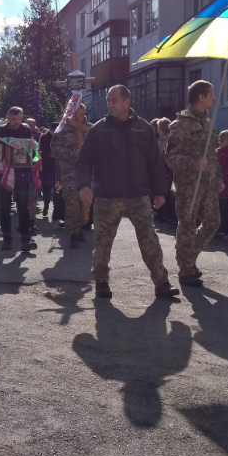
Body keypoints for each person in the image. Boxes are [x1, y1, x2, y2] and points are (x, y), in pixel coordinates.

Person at [76, 85, 179, 299]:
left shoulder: (143, 128)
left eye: (114, 100)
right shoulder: (98, 129)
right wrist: (84, 185)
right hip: (107, 196)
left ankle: (161, 283)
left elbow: (155, 163)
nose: (110, 104)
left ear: (127, 102)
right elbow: (84, 161)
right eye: (108, 100)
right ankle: (102, 281)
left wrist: (160, 192)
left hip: (138, 195)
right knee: (103, 242)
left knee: (149, 239)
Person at [164, 80, 224, 287]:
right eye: (211, 94)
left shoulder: (207, 121)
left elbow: (212, 155)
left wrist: (218, 179)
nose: (214, 98)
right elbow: (170, 157)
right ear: (200, 97)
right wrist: (192, 164)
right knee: (188, 226)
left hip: (208, 183)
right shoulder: (181, 124)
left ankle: (188, 258)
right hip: (188, 185)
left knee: (213, 222)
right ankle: (186, 269)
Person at [0, 107, 37, 252]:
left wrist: (31, 146)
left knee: (22, 207)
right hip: (3, 174)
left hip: (21, 173)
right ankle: (7, 240)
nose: (16, 122)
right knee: (5, 208)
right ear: (8, 117)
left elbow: (31, 151)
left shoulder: (25, 130)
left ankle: (25, 241)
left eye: (19, 119)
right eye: (13, 119)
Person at [51, 103, 91, 248]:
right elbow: (54, 149)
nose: (83, 115)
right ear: (72, 113)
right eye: (80, 112)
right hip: (69, 172)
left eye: (84, 112)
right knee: (72, 202)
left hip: (87, 172)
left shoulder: (90, 128)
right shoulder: (63, 128)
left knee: (86, 202)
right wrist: (71, 153)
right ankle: (74, 233)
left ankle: (82, 225)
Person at [155, 118, 176, 226]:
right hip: (161, 170)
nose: (157, 130)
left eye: (159, 127)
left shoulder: (169, 139)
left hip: (168, 170)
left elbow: (166, 155)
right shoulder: (160, 139)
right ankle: (165, 214)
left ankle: (172, 216)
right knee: (165, 193)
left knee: (171, 195)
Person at [216, 130, 228, 236]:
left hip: (226, 185)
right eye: (219, 139)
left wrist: (222, 179)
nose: (220, 141)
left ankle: (226, 227)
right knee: (218, 207)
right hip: (217, 184)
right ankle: (219, 227)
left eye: (223, 139)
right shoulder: (218, 151)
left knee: (226, 208)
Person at [38, 122, 57, 221]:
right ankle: (46, 205)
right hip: (46, 167)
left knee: (57, 191)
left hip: (57, 168)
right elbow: (41, 151)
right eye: (52, 130)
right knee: (46, 189)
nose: (54, 132)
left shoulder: (60, 137)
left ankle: (56, 211)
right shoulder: (44, 138)